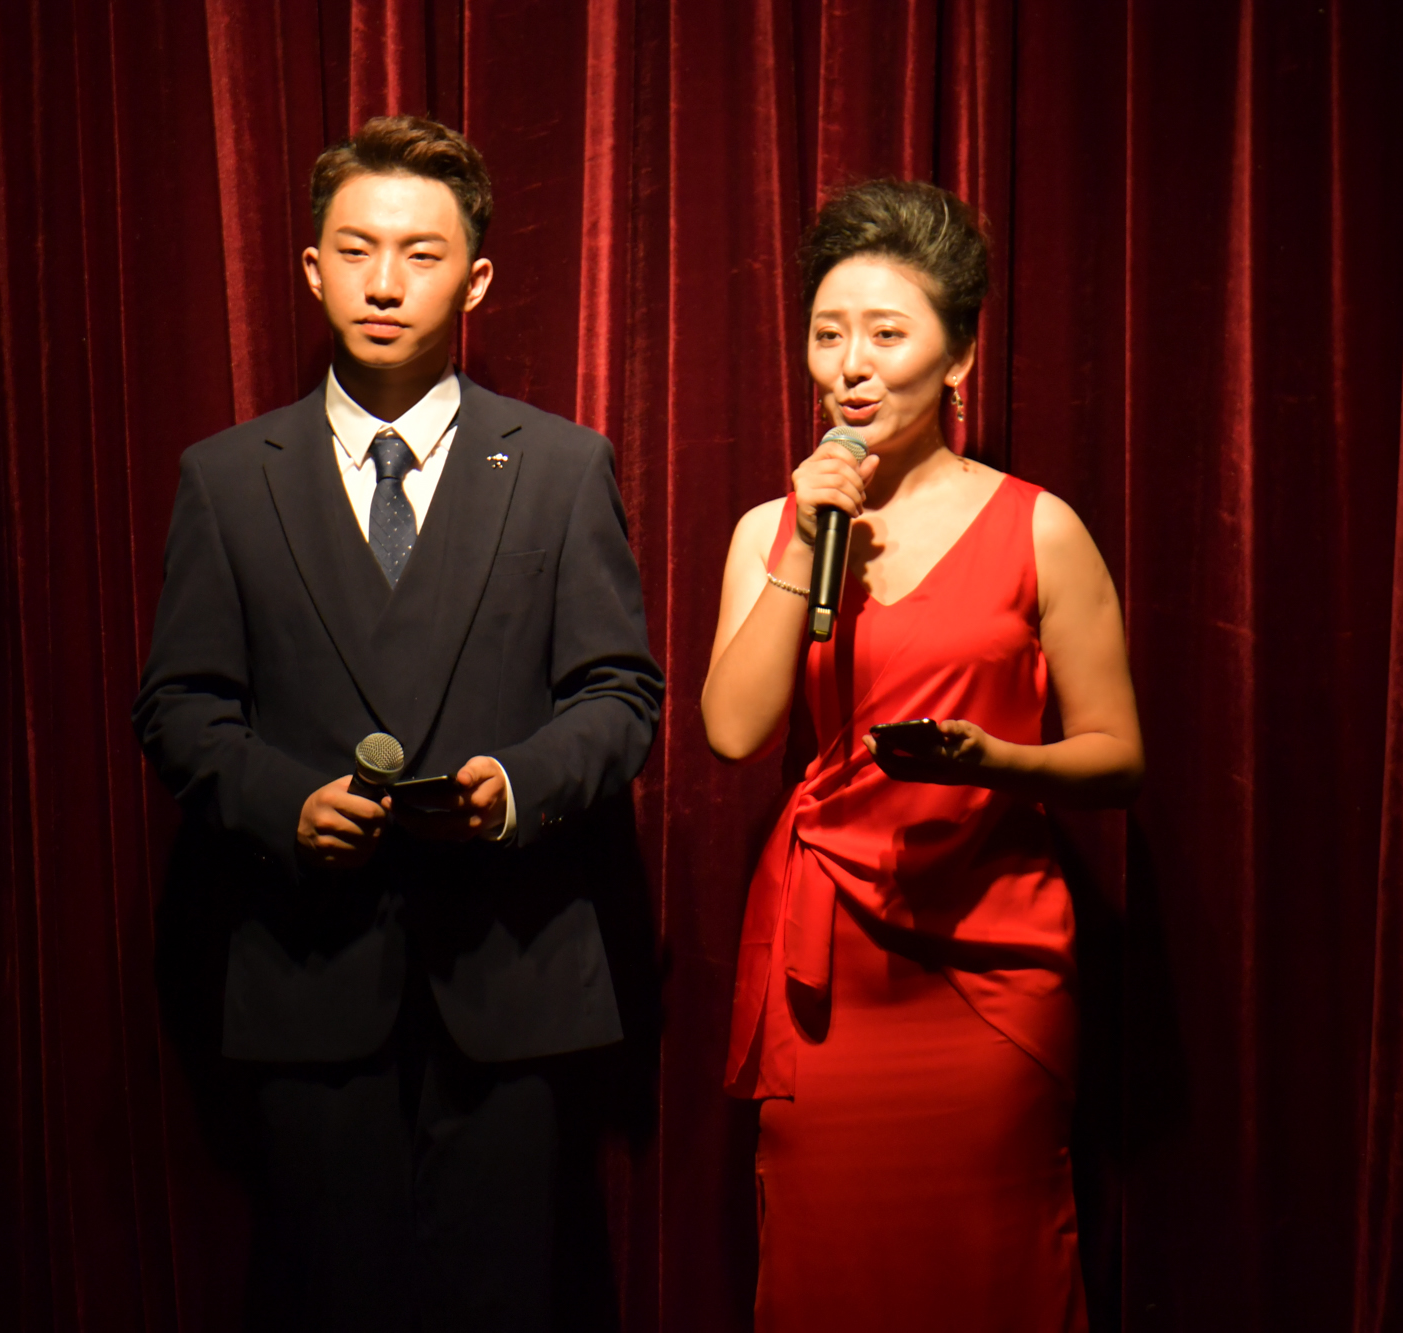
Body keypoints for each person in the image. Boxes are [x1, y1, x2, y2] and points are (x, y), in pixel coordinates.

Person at [133, 115, 661, 1331]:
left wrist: (514, 787)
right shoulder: (228, 477)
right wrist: (283, 803)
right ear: (310, 267)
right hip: (309, 972)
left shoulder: (560, 467)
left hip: (510, 975)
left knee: (507, 1301)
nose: (384, 283)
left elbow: (618, 694)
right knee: (327, 1298)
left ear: (475, 280)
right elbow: (179, 703)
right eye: (356, 249)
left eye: (420, 254)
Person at [702, 179, 1144, 1331]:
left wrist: (999, 760)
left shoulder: (1039, 526)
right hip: (830, 975)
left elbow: (1117, 757)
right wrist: (803, 544)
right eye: (827, 334)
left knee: (994, 1267)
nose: (849, 366)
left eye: (886, 335)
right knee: (827, 1271)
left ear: (958, 357)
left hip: (991, 960)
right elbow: (732, 731)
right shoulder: (771, 530)